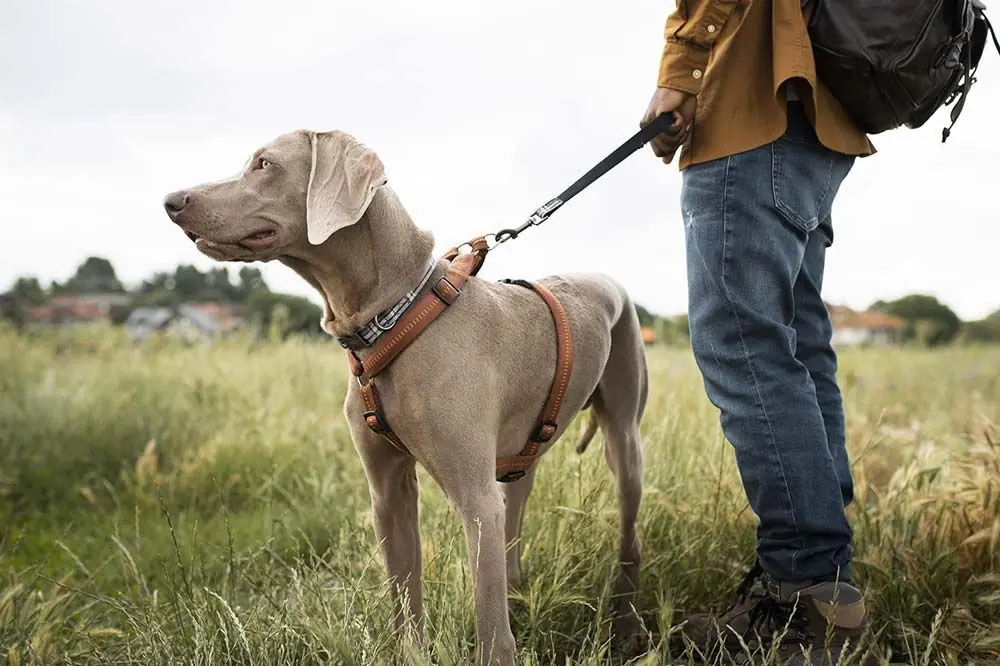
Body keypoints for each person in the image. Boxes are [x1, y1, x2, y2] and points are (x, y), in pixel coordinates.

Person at [640, 0, 878, 661]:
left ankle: (804, 588)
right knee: (795, 346)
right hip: (820, 115)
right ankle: (827, 575)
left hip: (753, 110)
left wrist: (683, 70)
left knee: (744, 348)